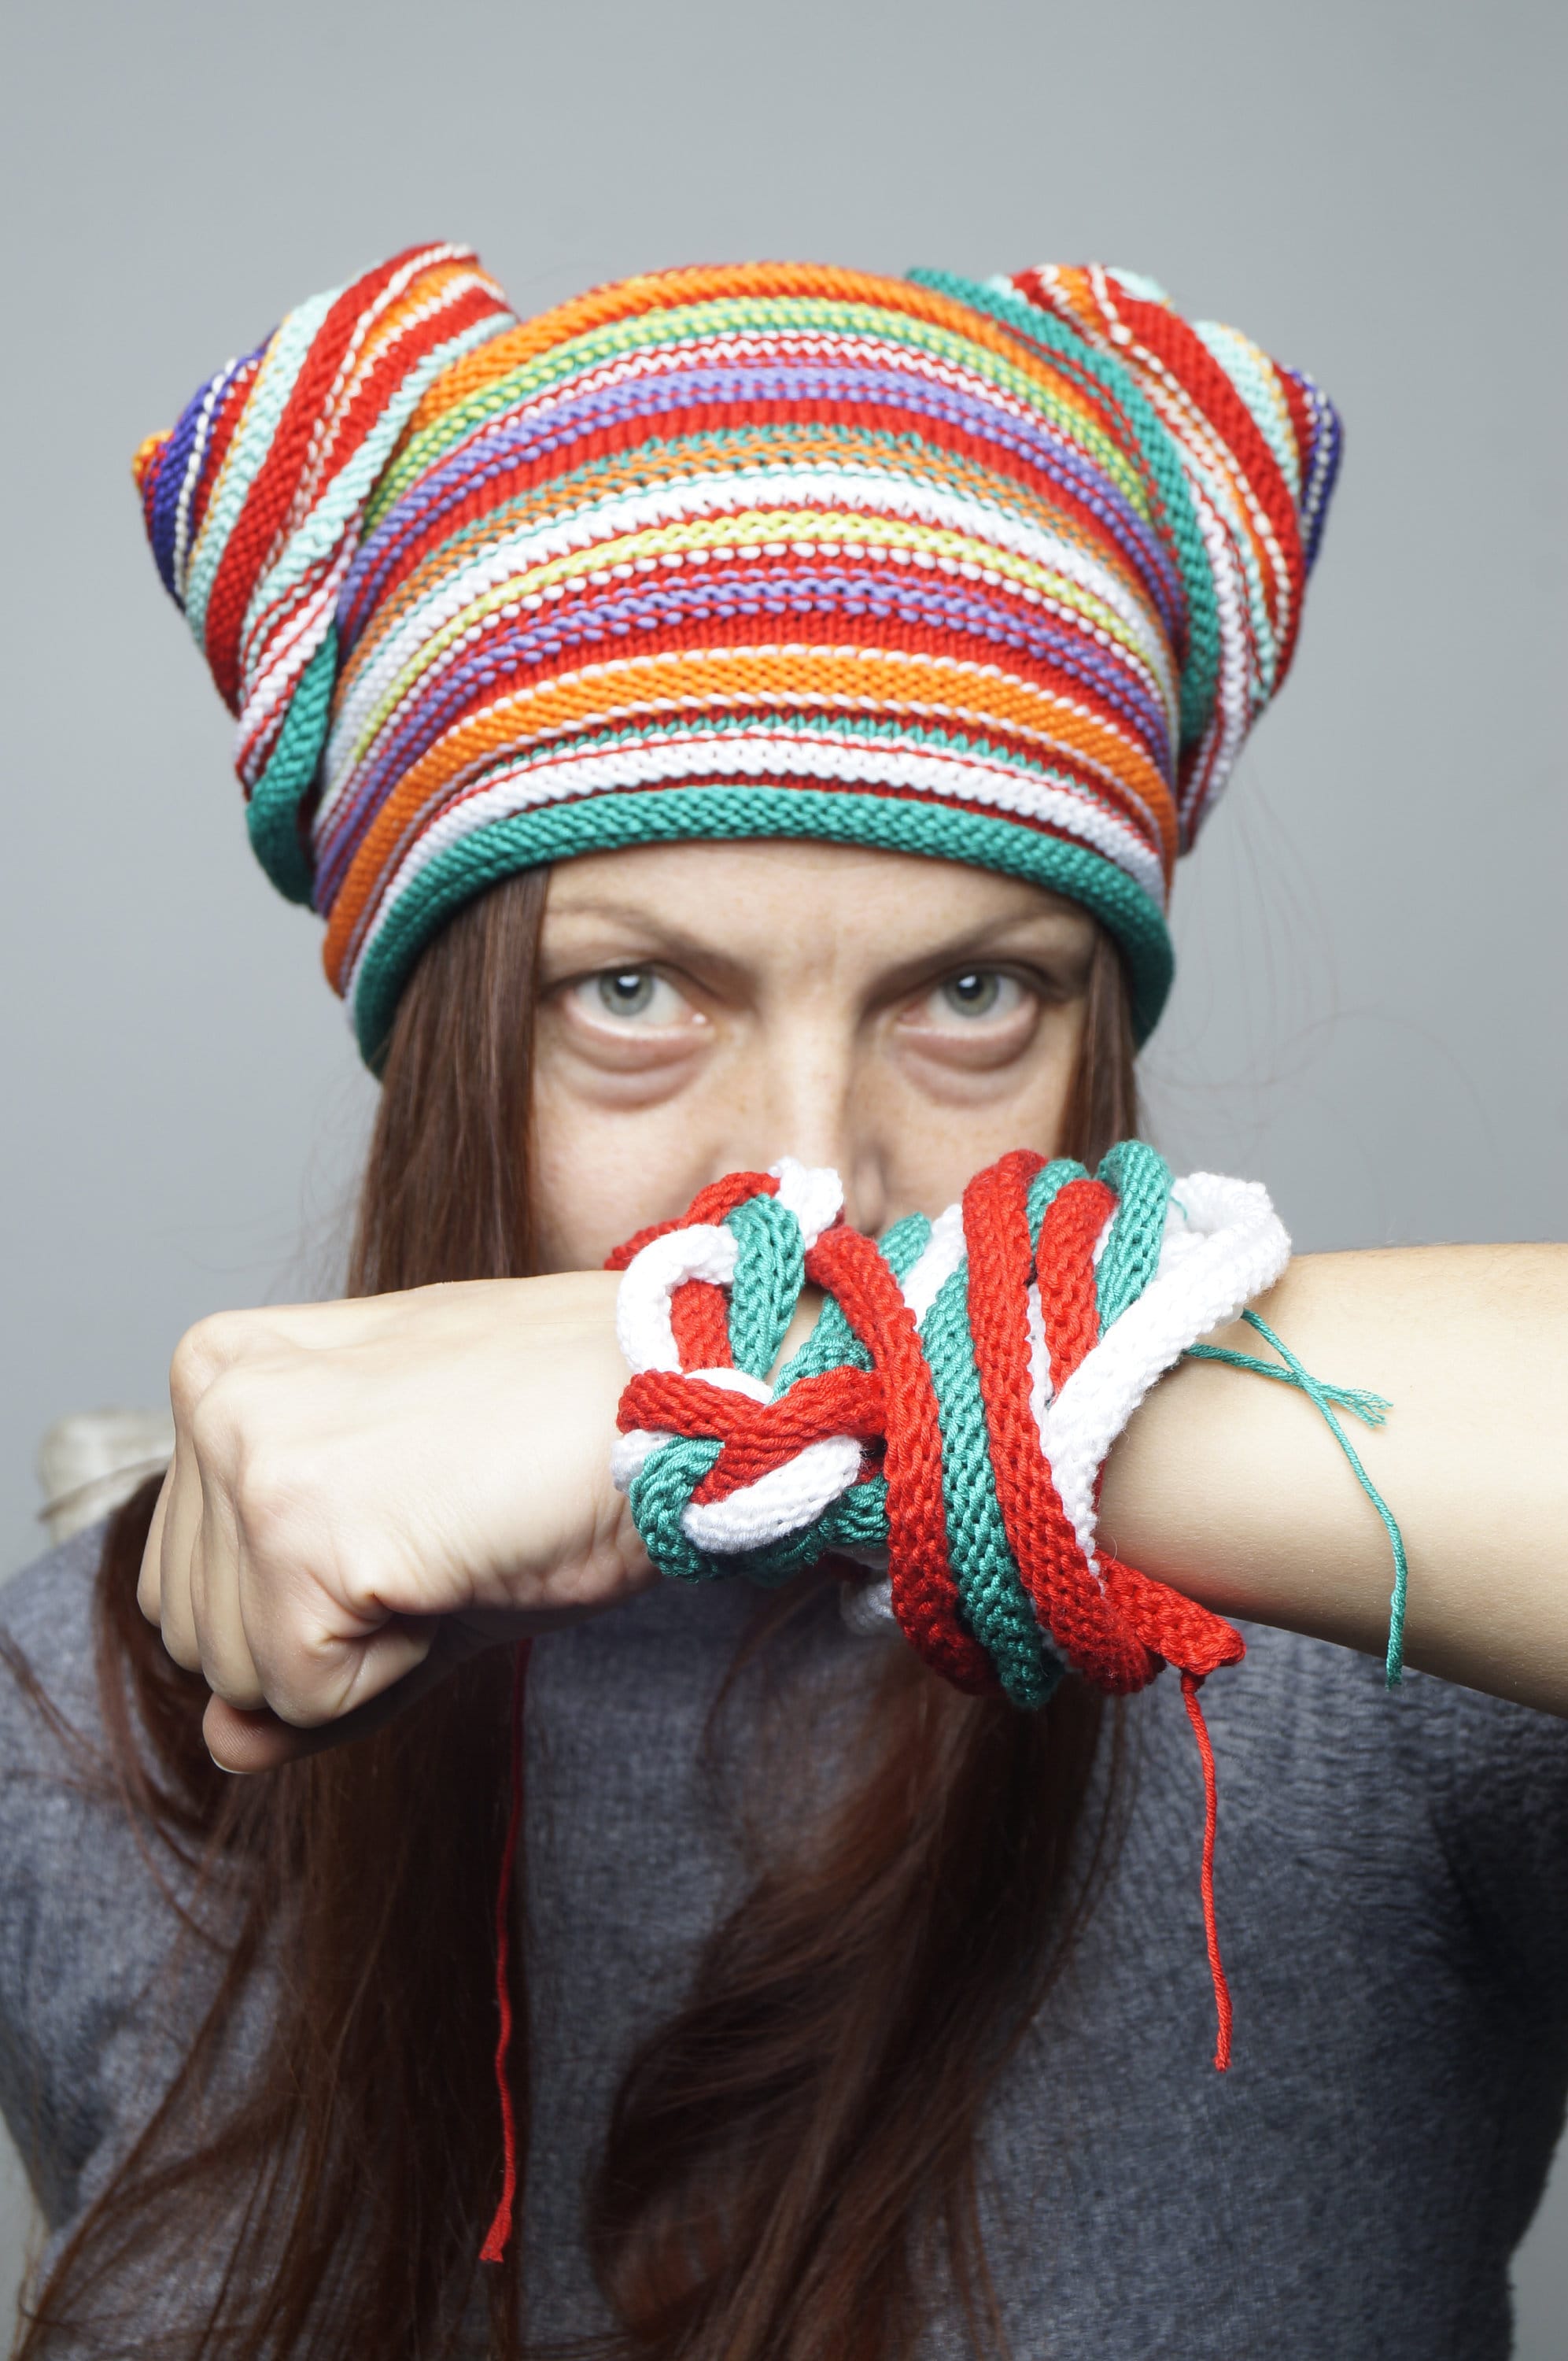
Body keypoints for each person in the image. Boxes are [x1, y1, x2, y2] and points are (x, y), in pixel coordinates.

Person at [2, 246, 1564, 2361]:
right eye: (631, 995)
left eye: (972, 991)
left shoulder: (1402, 1669)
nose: (808, 1178)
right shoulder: (61, 1733)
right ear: (440, 1030)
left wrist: (1027, 1419)